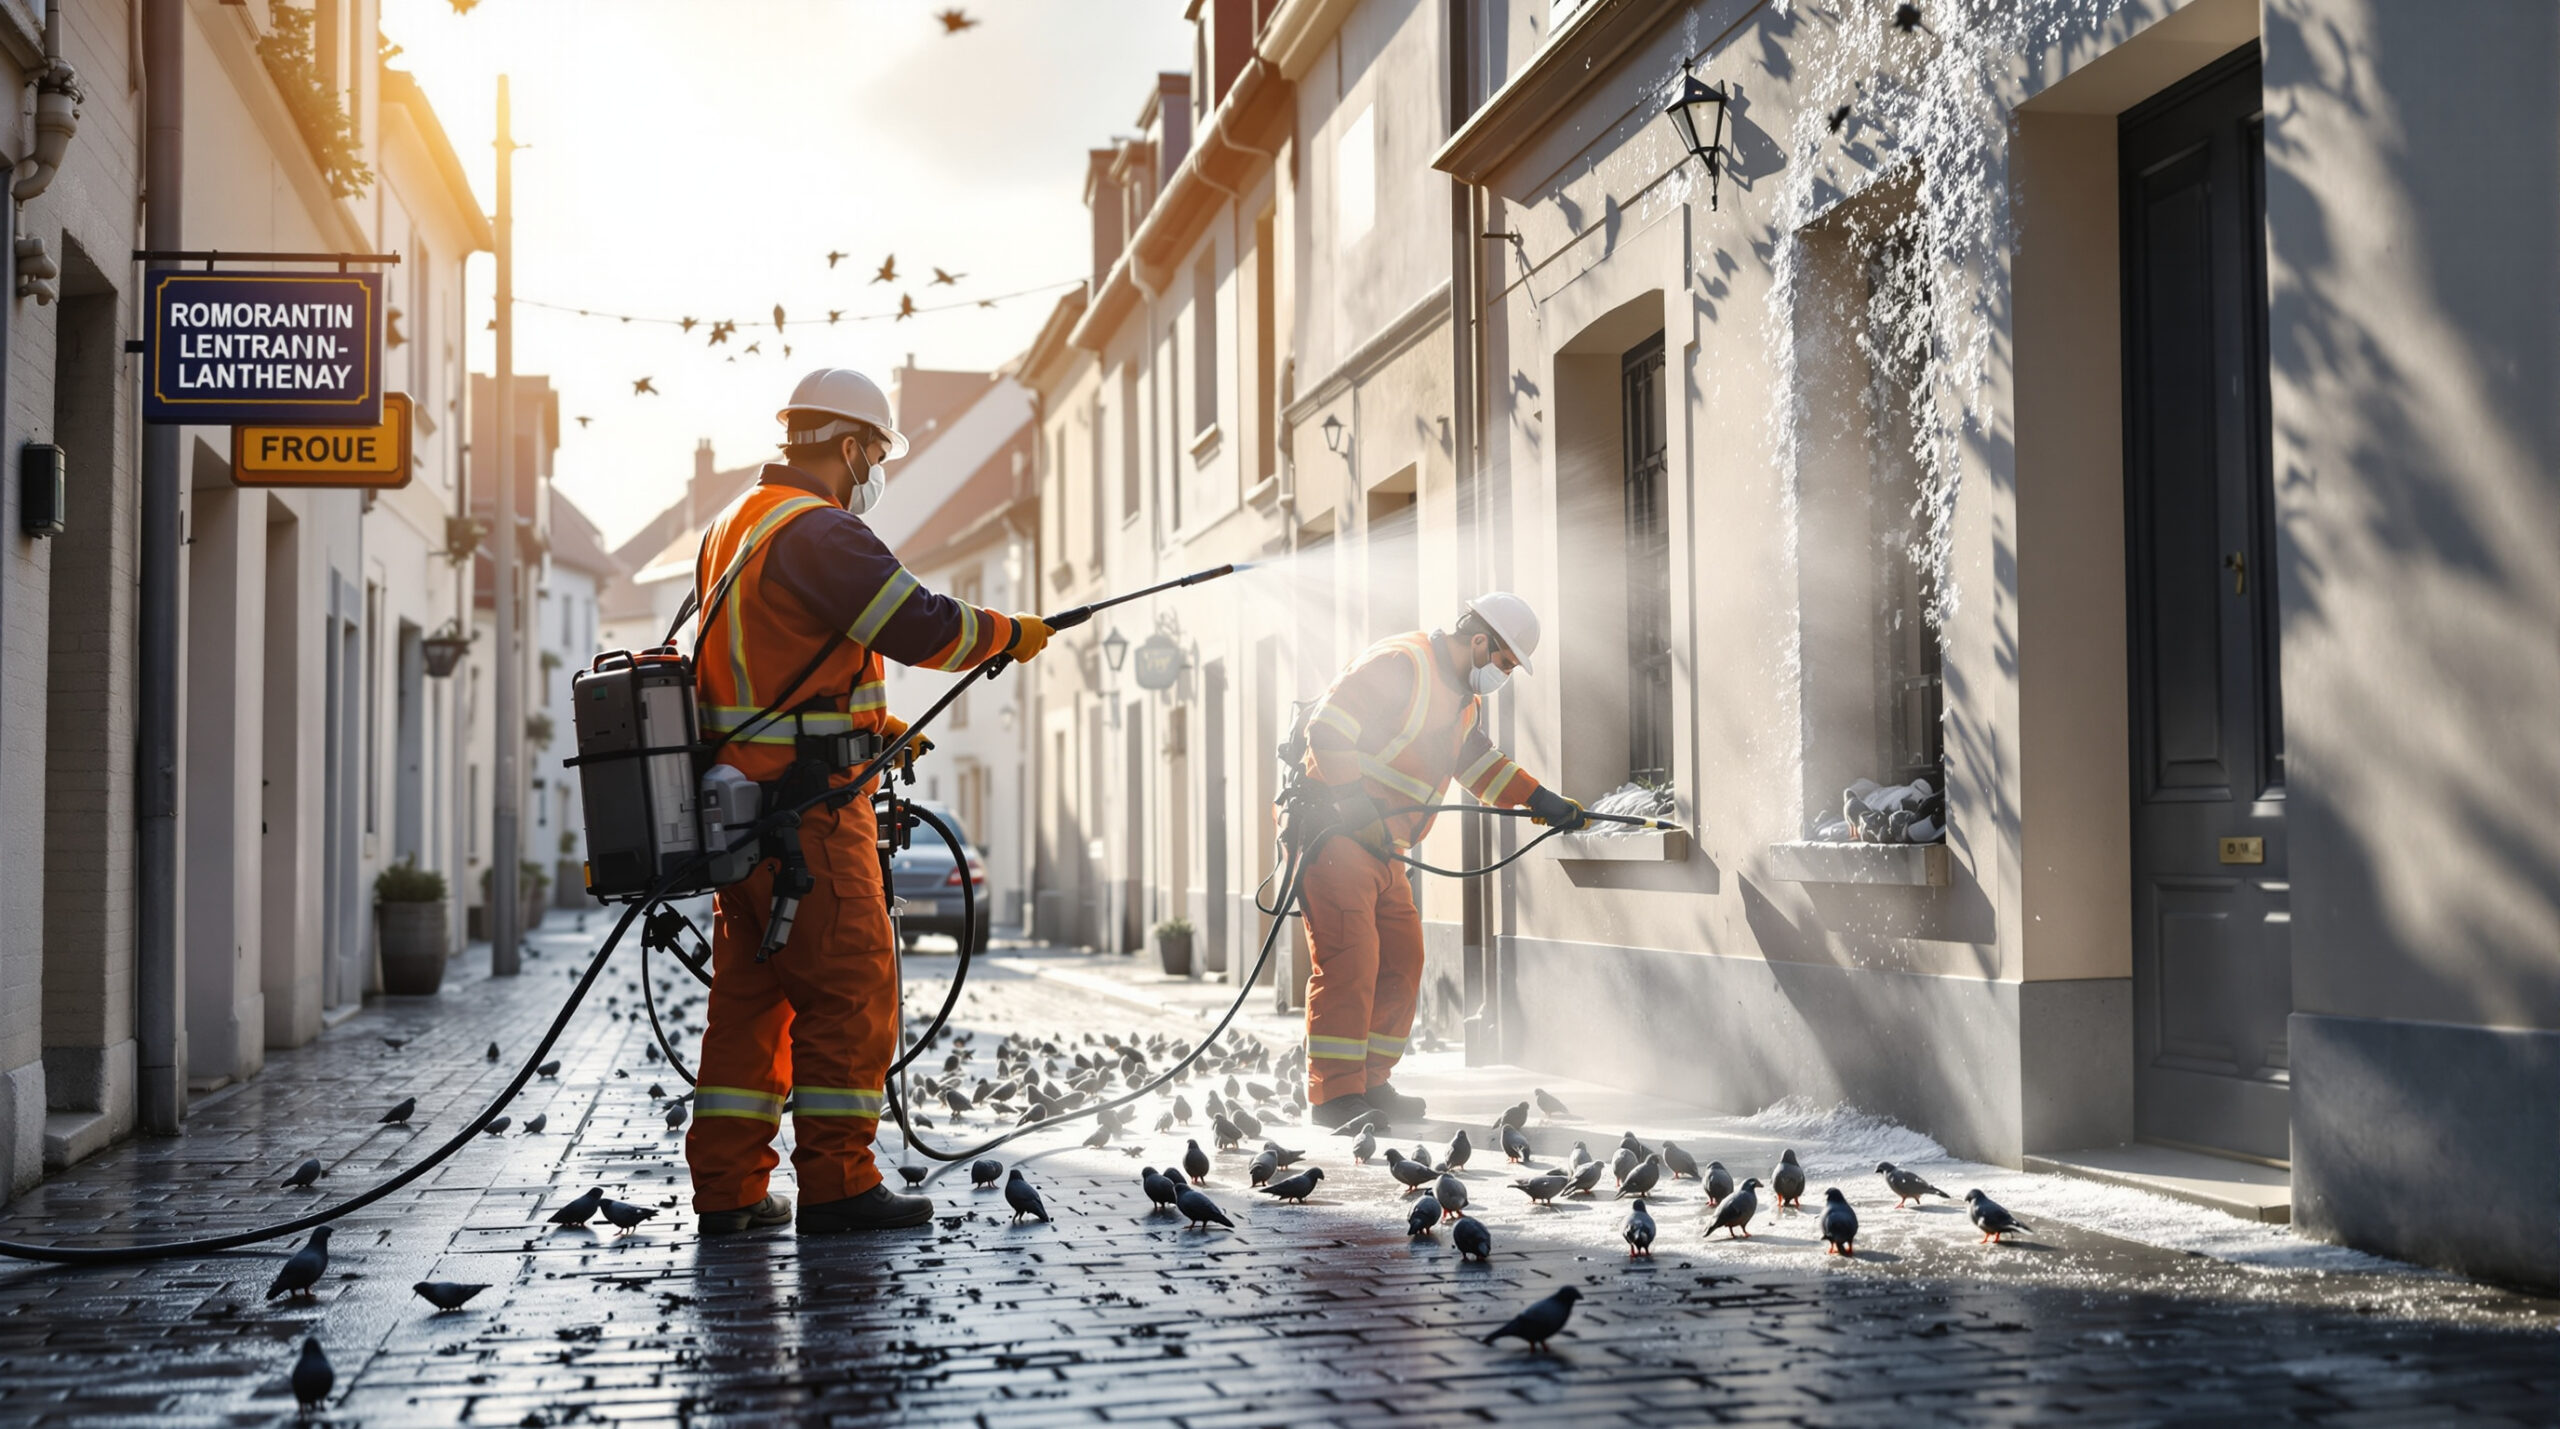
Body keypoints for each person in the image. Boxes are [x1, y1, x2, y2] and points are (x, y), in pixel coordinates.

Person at [686, 368, 1051, 1235]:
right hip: (807, 818)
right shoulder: (821, 530)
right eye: (876, 452)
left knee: (750, 1001)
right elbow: (919, 622)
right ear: (848, 447)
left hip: (739, 815)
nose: (876, 470)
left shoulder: (732, 525)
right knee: (851, 986)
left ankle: (728, 1192)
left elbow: (769, 666)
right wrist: (1010, 633)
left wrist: (870, 723)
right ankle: (841, 1183)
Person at [1296, 594, 1584, 1128]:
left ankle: (1370, 1082)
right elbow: (1327, 728)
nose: (1505, 675)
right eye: (1504, 663)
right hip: (1334, 834)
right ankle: (1333, 1097)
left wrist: (1538, 798)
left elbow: (1475, 763)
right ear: (1480, 640)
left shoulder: (1462, 703)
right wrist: (1356, 808)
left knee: (1403, 961)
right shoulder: (1402, 664)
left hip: (1383, 846)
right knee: (1351, 960)